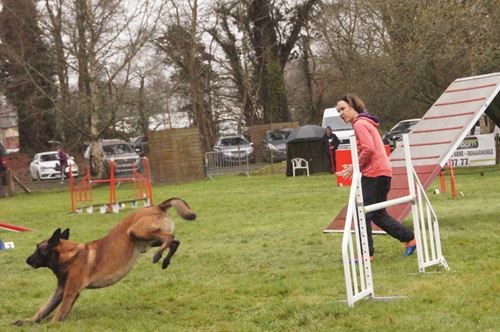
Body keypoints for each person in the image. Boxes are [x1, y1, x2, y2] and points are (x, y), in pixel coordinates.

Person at [335, 94, 416, 260]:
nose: (341, 113)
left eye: (343, 109)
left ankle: (366, 254)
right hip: (383, 172)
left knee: (361, 213)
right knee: (378, 214)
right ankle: (409, 238)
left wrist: (355, 166)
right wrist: (354, 166)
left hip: (374, 174)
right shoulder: (366, 122)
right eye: (338, 111)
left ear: (353, 106)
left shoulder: (359, 124)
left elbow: (368, 149)